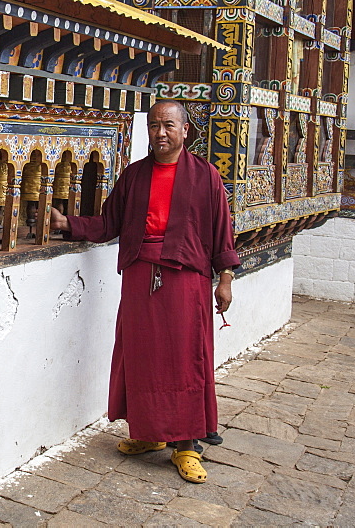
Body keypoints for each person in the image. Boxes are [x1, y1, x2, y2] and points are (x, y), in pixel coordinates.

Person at [49, 100, 238, 483]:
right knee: (142, 356)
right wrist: (68, 223)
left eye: (169, 125)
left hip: (186, 279)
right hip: (139, 275)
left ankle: (185, 446)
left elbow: (222, 231)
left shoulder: (206, 177)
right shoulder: (134, 176)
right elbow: (109, 223)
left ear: (186, 131)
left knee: (186, 359)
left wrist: (226, 278)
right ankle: (150, 434)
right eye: (154, 125)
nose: (161, 132)